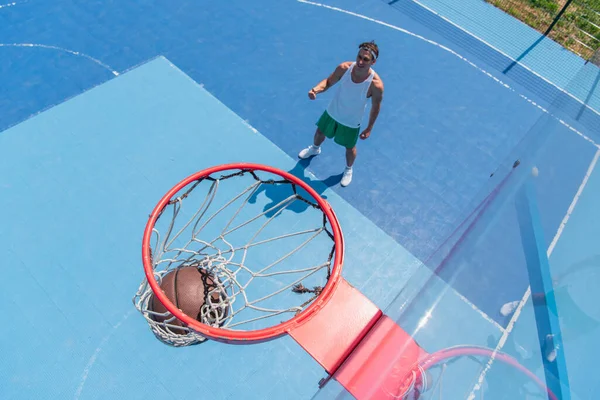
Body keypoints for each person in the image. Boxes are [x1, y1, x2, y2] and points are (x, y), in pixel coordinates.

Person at [298, 41, 384, 187]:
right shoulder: (344, 68)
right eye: (359, 57)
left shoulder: (375, 85)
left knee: (350, 148)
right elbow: (328, 82)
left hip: (351, 121)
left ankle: (348, 169)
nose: (360, 61)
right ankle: (314, 149)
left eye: (365, 59)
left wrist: (369, 128)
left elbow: (375, 108)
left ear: (373, 62)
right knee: (320, 133)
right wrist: (315, 90)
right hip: (332, 112)